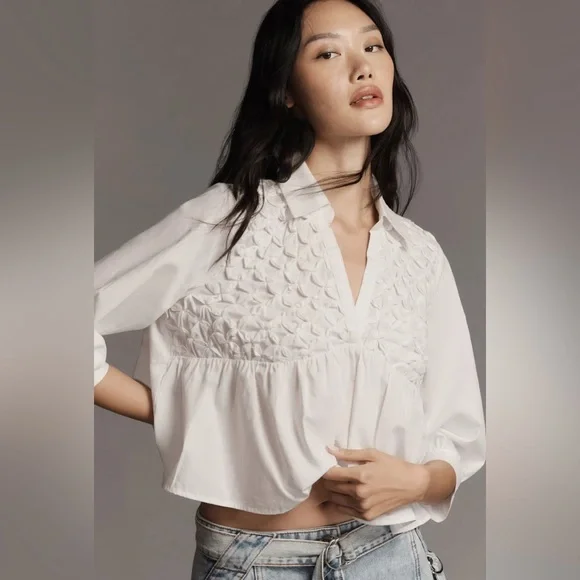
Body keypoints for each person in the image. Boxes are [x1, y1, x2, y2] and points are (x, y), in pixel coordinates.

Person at [94, 0, 486, 578]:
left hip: (390, 556)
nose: (362, 66)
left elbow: (458, 434)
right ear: (286, 93)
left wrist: (418, 480)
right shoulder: (232, 221)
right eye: (328, 53)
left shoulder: (417, 254)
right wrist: (190, 411)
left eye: (373, 46)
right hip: (256, 562)